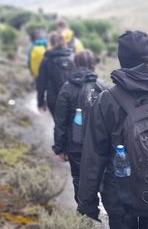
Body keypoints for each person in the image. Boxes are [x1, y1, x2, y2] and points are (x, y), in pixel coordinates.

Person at [77, 31, 148, 229]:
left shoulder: (107, 101)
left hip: (121, 199)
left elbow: (93, 157)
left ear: (121, 59)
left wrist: (87, 203)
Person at [52, 49, 107, 204]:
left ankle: (84, 210)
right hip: (100, 144)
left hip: (75, 144)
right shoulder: (103, 86)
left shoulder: (67, 87)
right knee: (102, 177)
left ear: (75, 64)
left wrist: (59, 148)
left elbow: (60, 121)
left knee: (78, 177)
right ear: (93, 64)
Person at [36, 32, 75, 117]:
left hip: (53, 99)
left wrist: (40, 102)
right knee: (70, 125)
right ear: (65, 42)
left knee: (58, 125)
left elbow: (41, 83)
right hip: (70, 98)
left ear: (52, 42)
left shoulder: (46, 59)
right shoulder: (71, 57)